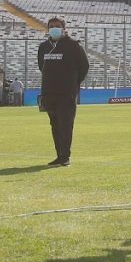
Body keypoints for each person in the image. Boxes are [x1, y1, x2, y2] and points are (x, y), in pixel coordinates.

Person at [37, 17, 88, 166]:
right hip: (48, 93)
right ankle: (59, 155)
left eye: (57, 26)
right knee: (55, 125)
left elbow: (84, 67)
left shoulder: (73, 46)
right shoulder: (43, 47)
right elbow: (42, 66)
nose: (54, 28)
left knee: (65, 124)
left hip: (66, 93)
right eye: (51, 26)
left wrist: (73, 83)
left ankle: (65, 156)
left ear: (63, 28)